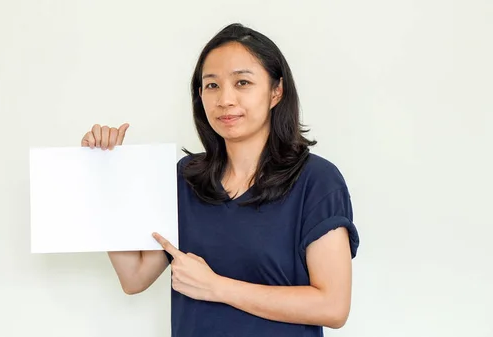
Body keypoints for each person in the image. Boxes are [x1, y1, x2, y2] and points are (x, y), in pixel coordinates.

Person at [80, 23, 360, 337]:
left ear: (276, 91)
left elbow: (333, 307)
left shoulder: (316, 181)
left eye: (242, 82)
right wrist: (105, 175)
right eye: (212, 86)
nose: (225, 99)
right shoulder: (185, 178)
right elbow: (134, 278)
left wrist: (217, 287)